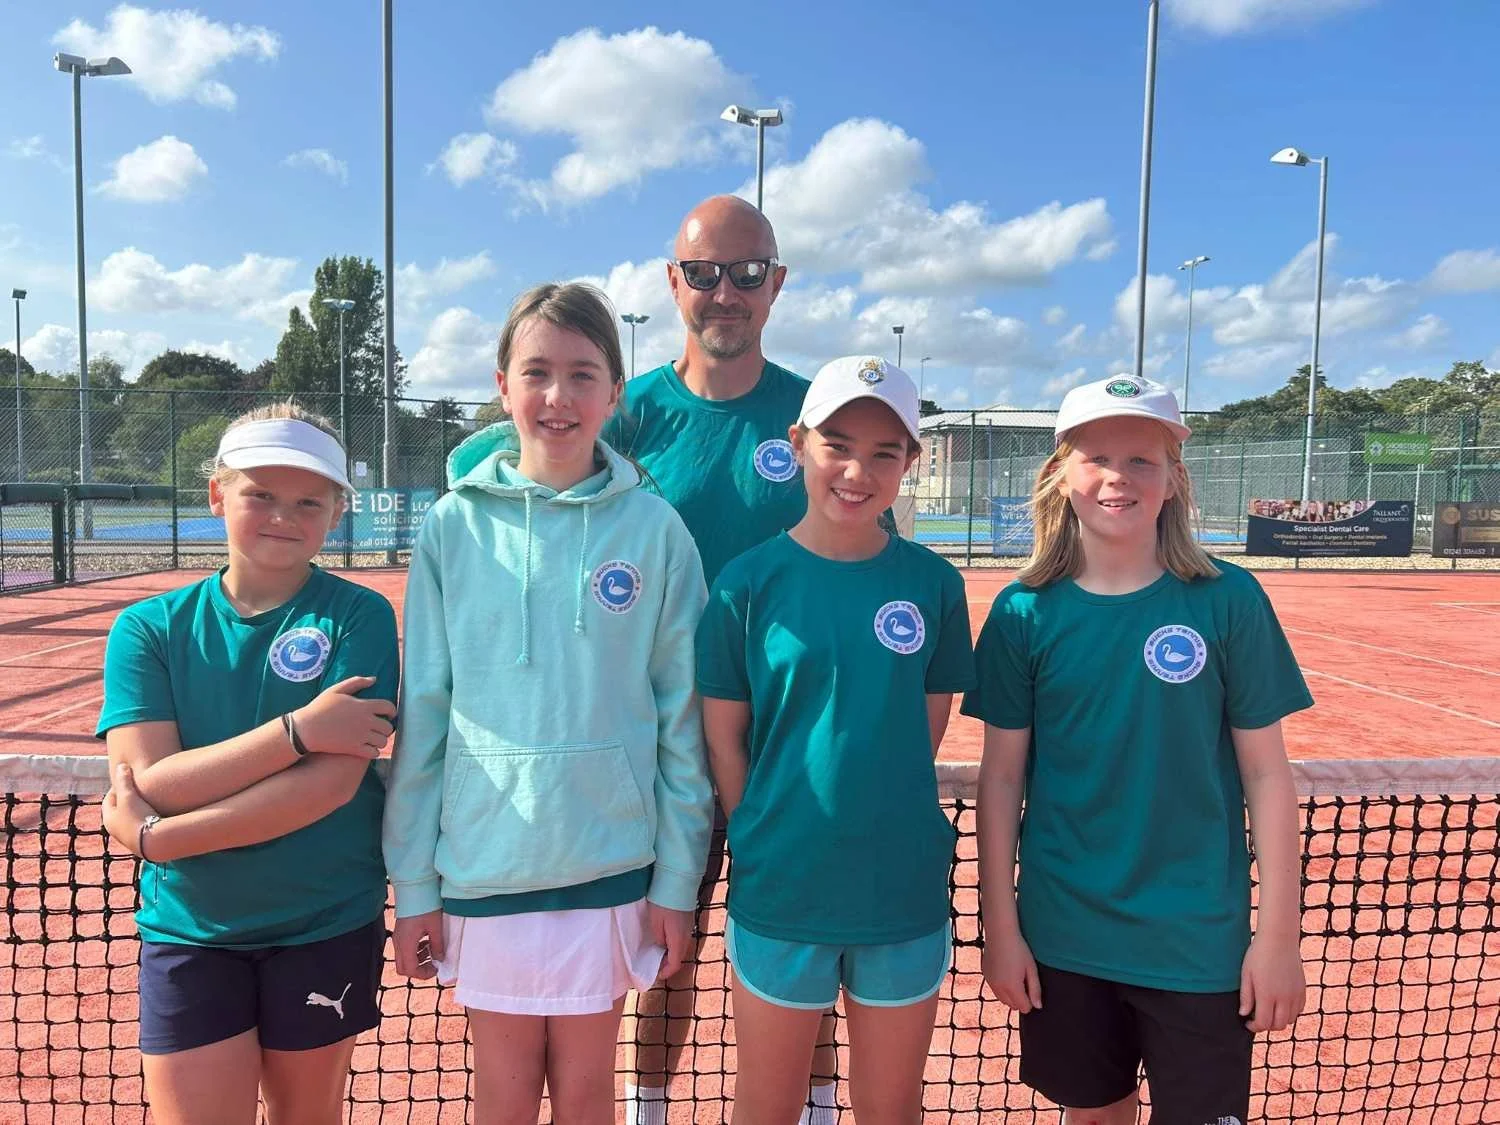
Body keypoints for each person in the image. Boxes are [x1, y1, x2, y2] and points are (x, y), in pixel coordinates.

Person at [383, 282, 713, 1125]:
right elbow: (425, 711)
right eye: (536, 372)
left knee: (585, 1094)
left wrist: (678, 877)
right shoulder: (451, 528)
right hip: (484, 869)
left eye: (581, 373)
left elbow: (682, 723)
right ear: (502, 385)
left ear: (615, 393)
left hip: (608, 869)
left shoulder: (656, 532)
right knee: (500, 1096)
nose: (558, 396)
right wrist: (414, 880)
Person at [967, 374, 1312, 1125]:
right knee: (1093, 1114)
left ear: (1174, 479)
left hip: (1198, 942)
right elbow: (1001, 782)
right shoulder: (1023, 613)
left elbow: (1266, 774)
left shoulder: (1230, 600)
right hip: (1064, 938)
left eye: (1142, 460)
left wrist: (1278, 936)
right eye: (1095, 457)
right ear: (1061, 473)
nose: (1117, 477)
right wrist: (1003, 930)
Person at [605, 195, 842, 1125]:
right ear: (674, 283)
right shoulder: (628, 416)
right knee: (668, 942)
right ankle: (649, 1111)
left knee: (803, 943)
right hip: (662, 742)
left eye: (748, 272)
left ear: (776, 285)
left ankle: (817, 1108)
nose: (725, 291)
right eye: (703, 272)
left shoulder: (814, 414)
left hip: (797, 747)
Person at [96, 403, 399, 1125]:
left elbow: (327, 789)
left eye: (308, 501)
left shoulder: (360, 617)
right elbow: (156, 780)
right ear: (216, 496)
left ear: (334, 512)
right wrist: (298, 731)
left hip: (323, 921)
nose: (282, 516)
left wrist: (158, 839)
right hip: (189, 929)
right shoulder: (147, 628)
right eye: (260, 493)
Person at [696, 356, 976, 1125]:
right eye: (838, 444)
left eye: (886, 452)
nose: (858, 470)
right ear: (798, 444)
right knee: (766, 1108)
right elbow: (726, 737)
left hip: (901, 888)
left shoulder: (934, 584)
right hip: (783, 887)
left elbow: (926, 720)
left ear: (910, 463)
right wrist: (756, 828)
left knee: (892, 1109)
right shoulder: (745, 585)